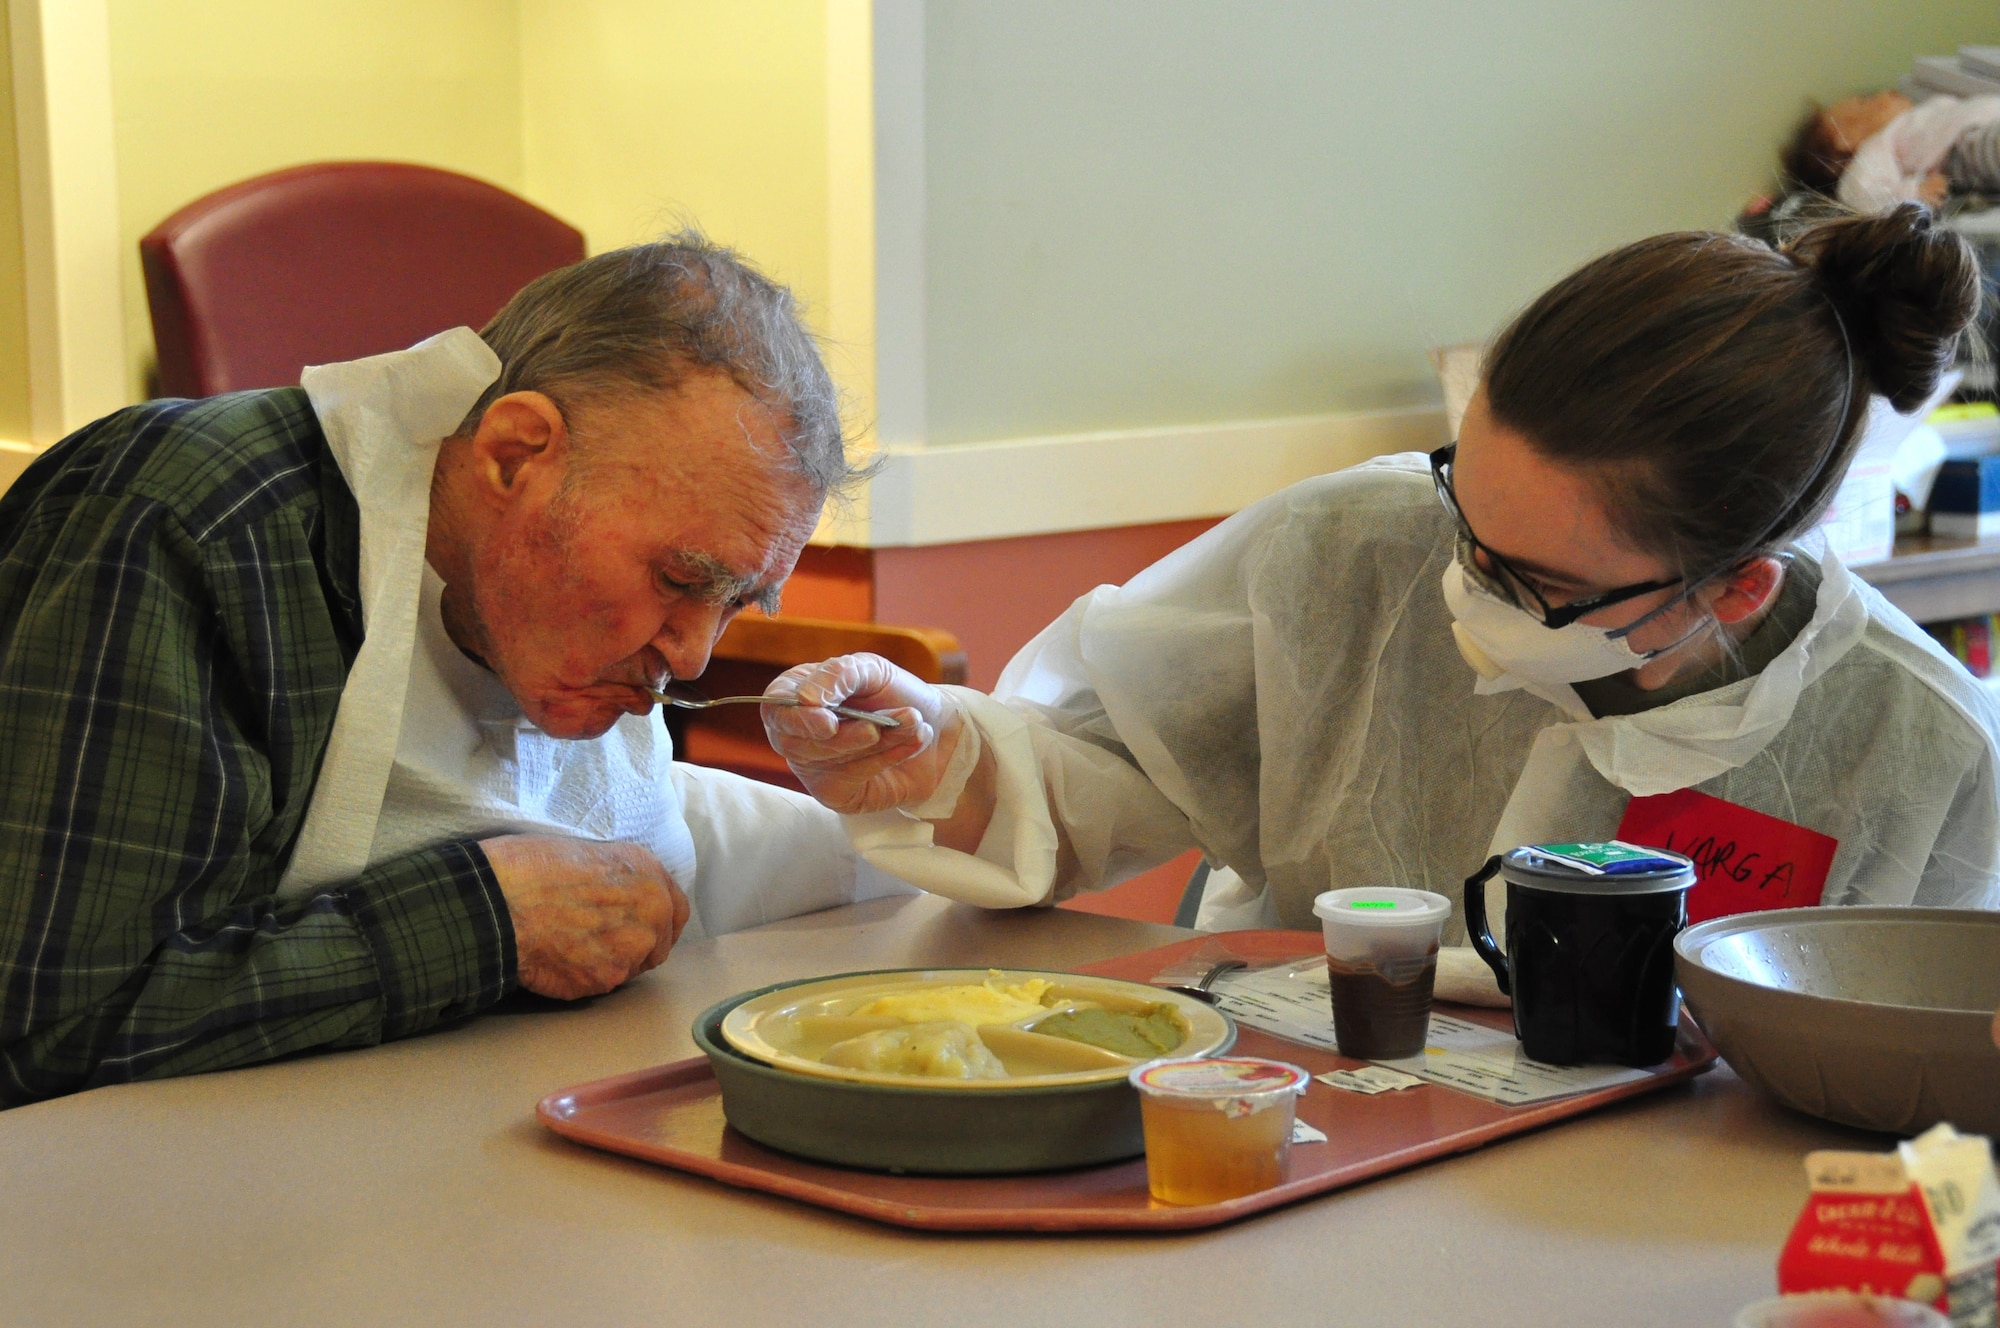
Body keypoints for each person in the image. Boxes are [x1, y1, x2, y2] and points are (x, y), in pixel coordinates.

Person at [764, 205, 2000, 963]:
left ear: (1731, 591)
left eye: (1533, 582)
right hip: (1299, 1131)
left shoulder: (1918, 747)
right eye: (1462, 507)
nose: (1459, 585)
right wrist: (931, 755)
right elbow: (1104, 777)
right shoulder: (1352, 545)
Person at [0, 232, 904, 1106]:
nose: (694, 655)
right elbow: (49, 1025)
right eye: (676, 579)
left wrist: (923, 803)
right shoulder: (183, 527)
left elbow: (630, 813)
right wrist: (482, 924)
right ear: (513, 454)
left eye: (740, 600)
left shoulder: (561, 603)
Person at [1781, 89, 2000, 211]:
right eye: (1864, 102)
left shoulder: (1909, 121)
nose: (1884, 94)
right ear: (1845, 140)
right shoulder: (1876, 147)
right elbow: (1859, 194)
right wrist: (1914, 192)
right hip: (1966, 148)